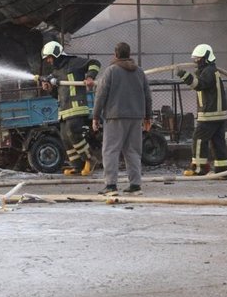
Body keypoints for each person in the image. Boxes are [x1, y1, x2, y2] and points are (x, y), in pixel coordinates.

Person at [92, 42, 152, 196]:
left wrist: (96, 116)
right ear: (129, 54)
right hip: (136, 117)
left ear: (116, 54)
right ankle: (135, 185)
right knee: (133, 151)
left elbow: (101, 95)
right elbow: (147, 96)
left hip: (115, 116)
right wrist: (147, 117)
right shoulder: (139, 72)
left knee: (111, 150)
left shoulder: (111, 71)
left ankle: (111, 186)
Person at [40, 41, 101, 175]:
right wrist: (49, 89)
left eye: (50, 57)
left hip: (77, 107)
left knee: (73, 132)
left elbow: (95, 63)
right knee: (65, 137)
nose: (49, 61)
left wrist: (90, 77)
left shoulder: (74, 63)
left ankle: (90, 160)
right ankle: (78, 166)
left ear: (56, 54)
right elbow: (57, 95)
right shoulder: (56, 72)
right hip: (64, 110)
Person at [177, 43, 227, 177]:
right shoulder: (211, 70)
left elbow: (199, 85)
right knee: (218, 143)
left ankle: (199, 168)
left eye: (198, 58)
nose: (196, 61)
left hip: (210, 114)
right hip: (218, 114)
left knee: (199, 139)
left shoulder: (209, 72)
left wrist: (185, 76)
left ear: (205, 58)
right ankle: (222, 171)